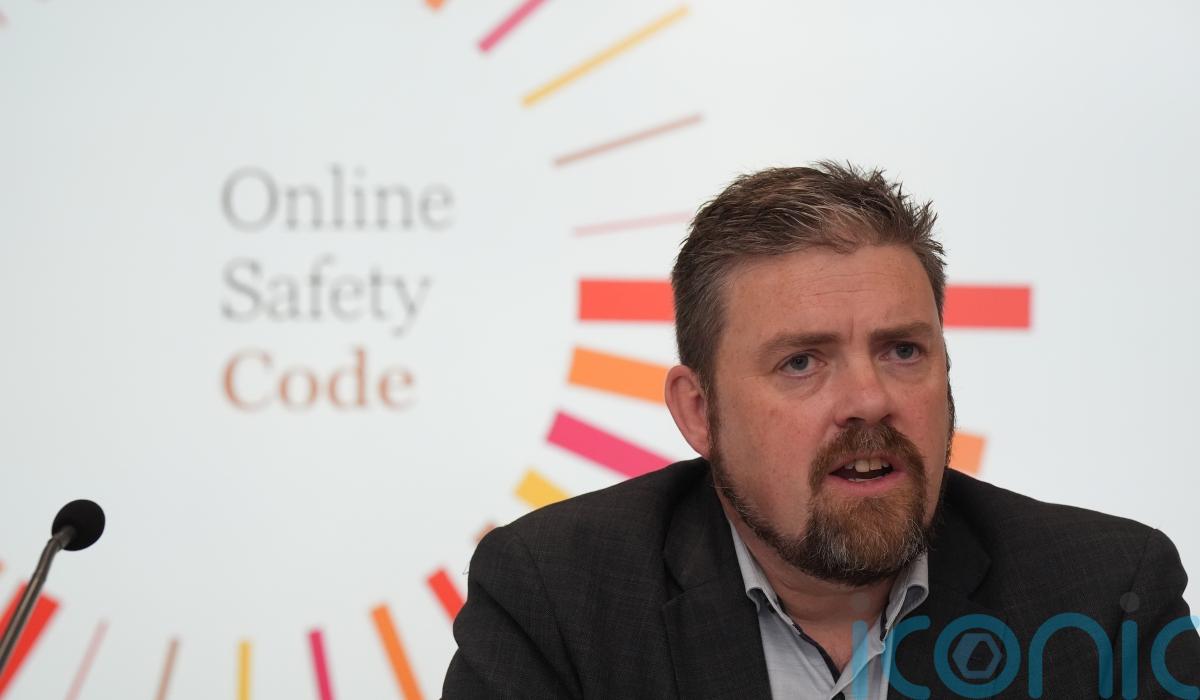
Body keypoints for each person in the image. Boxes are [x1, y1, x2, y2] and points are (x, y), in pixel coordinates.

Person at [442, 163, 1200, 698]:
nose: (869, 400)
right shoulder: (557, 597)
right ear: (699, 412)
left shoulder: (1107, 596)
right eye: (801, 362)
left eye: (903, 351)